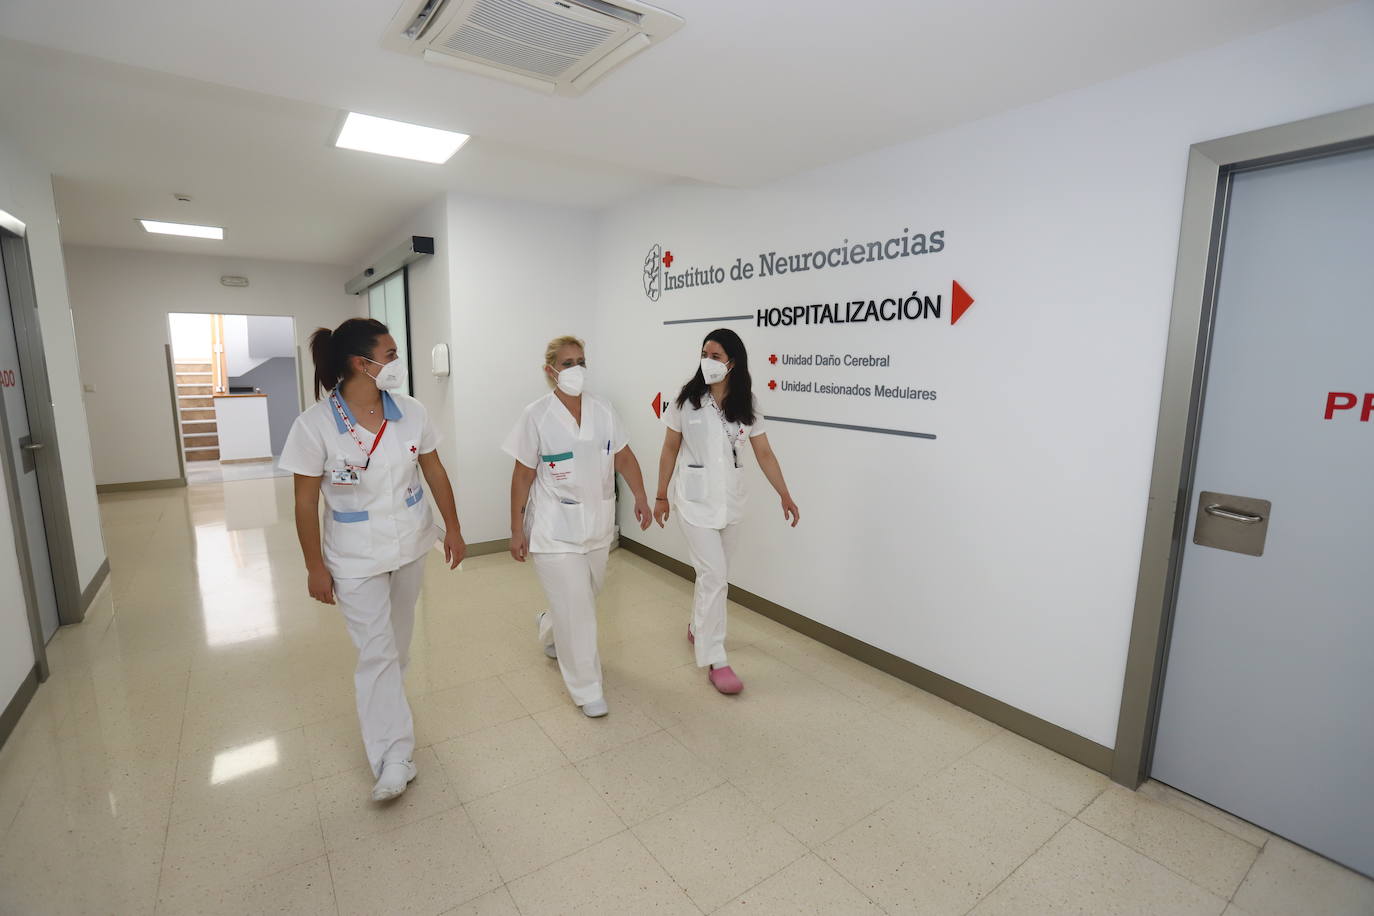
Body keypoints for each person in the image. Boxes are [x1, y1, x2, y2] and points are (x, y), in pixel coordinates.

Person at [280, 318, 466, 801]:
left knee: (397, 648)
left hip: (409, 544)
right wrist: (313, 566)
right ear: (360, 363)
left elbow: (435, 472)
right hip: (353, 556)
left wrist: (454, 528)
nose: (396, 363)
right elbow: (304, 503)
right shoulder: (315, 425)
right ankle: (393, 757)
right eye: (390, 354)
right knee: (377, 652)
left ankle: (390, 716)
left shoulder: (411, 412)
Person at [503, 335, 652, 717]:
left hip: (597, 525)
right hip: (553, 528)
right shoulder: (535, 415)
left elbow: (625, 457)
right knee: (579, 610)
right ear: (551, 371)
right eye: (568, 363)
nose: (576, 369)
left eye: (581, 361)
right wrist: (517, 529)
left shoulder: (603, 410)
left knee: (582, 597)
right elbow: (522, 476)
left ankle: (550, 625)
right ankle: (587, 688)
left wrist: (640, 496)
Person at [654, 328, 800, 694]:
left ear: (732, 362)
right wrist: (660, 495)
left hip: (730, 503)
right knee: (716, 577)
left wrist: (784, 493)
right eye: (704, 353)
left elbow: (764, 453)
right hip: (694, 502)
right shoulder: (686, 401)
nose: (708, 361)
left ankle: (697, 625)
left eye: (716, 356)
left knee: (714, 577)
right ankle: (715, 657)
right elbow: (670, 448)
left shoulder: (746, 403)